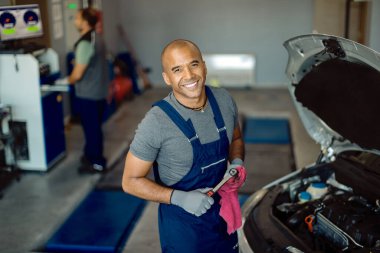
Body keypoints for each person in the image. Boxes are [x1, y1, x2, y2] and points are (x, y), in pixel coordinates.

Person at [122, 39, 246, 253]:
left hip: (224, 219)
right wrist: (179, 198)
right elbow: (130, 181)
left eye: (194, 64)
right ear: (167, 78)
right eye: (177, 69)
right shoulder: (156, 122)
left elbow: (236, 139)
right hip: (184, 232)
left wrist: (236, 162)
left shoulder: (224, 100)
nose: (189, 76)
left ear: (204, 66)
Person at [68, 8, 108, 173]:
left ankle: (97, 162)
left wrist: (67, 81)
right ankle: (90, 155)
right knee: (94, 127)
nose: (75, 21)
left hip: (88, 94)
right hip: (98, 92)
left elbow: (77, 74)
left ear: (85, 22)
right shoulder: (97, 38)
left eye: (77, 18)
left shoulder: (85, 42)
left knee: (91, 129)